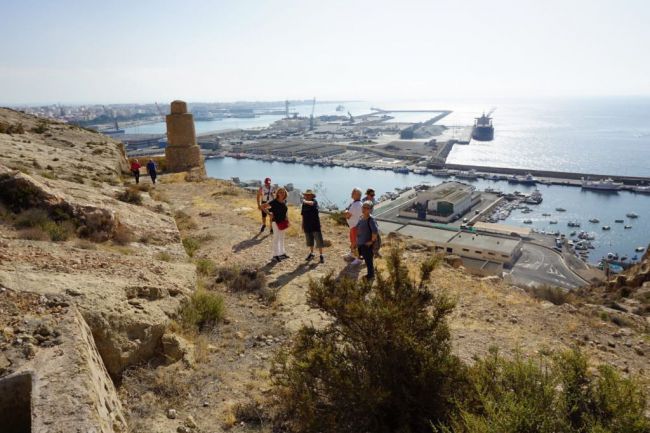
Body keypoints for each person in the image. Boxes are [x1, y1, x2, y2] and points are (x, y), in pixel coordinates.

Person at [262, 187, 289, 262]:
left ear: (285, 194)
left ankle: (282, 253)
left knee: (282, 238)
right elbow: (263, 207)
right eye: (280, 192)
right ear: (277, 193)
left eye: (283, 192)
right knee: (276, 238)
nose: (282, 193)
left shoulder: (284, 201)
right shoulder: (274, 202)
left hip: (283, 222)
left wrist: (287, 219)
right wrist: (269, 214)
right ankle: (275, 255)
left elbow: (285, 212)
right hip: (275, 222)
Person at [356, 200, 379, 280]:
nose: (364, 209)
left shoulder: (371, 220)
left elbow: (375, 232)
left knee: (369, 261)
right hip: (361, 242)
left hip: (367, 244)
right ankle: (372, 273)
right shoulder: (361, 217)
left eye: (367, 208)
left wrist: (371, 242)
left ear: (370, 209)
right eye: (363, 207)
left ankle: (371, 276)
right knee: (365, 259)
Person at [301, 189, 324, 263]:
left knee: (319, 241)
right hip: (307, 225)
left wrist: (304, 201)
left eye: (308, 195)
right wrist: (302, 224)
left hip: (315, 224)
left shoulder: (314, 201)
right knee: (310, 241)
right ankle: (312, 253)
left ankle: (321, 255)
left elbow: (311, 203)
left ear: (312, 196)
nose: (307, 196)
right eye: (306, 195)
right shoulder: (304, 205)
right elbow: (303, 215)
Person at [344, 188, 363, 266]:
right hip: (355, 226)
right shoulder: (359, 203)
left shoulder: (355, 205)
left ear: (357, 195)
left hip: (355, 226)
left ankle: (358, 259)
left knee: (355, 243)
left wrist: (345, 212)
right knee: (353, 242)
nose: (351, 193)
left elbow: (348, 215)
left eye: (353, 192)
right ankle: (353, 254)